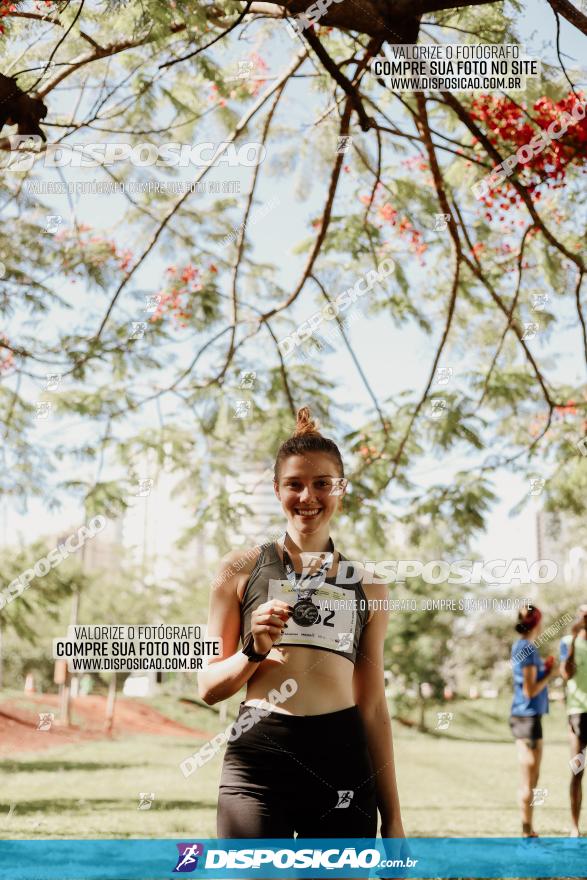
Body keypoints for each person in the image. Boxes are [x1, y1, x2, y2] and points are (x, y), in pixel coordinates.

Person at [197, 406, 404, 844]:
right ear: (277, 490)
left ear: (340, 490)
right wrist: (253, 649)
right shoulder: (237, 569)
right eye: (294, 484)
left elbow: (373, 707)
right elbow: (208, 687)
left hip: (342, 759)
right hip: (258, 757)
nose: (308, 496)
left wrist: (395, 822)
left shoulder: (370, 587)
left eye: (322, 484)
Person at [509, 605, 555, 838]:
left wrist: (543, 669)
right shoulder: (526, 648)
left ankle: (529, 827)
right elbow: (529, 690)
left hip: (527, 717)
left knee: (532, 776)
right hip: (526, 718)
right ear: (537, 622)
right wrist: (549, 673)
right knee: (529, 777)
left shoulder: (523, 647)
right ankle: (526, 829)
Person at [560, 605, 587, 837]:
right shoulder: (568, 641)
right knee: (577, 769)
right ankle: (575, 826)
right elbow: (565, 674)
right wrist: (571, 648)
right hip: (579, 713)